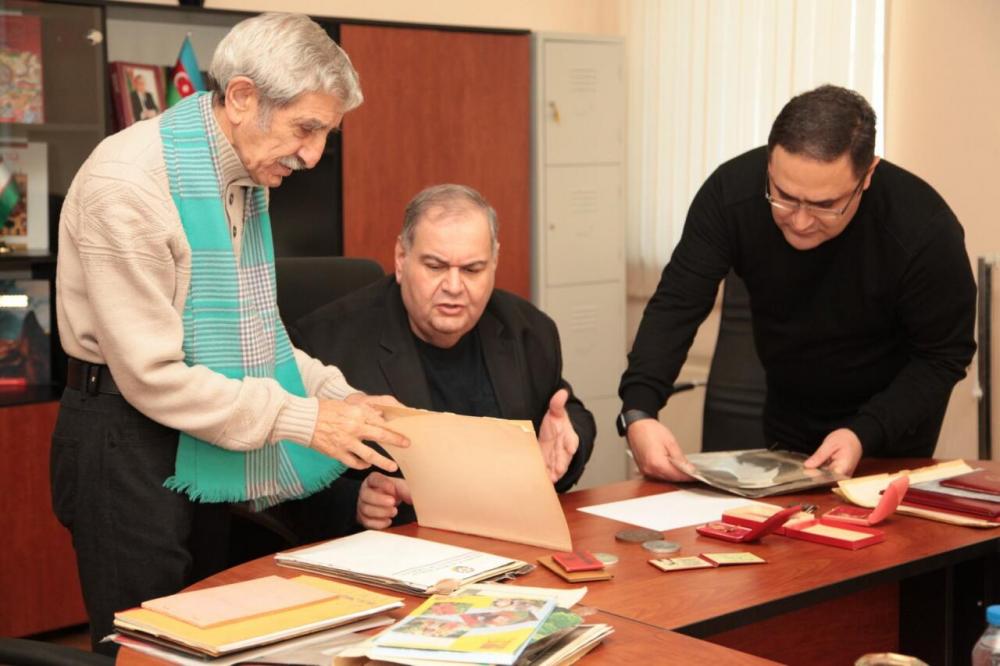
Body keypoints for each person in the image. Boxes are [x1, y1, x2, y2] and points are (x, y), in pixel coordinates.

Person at [51, 13, 409, 654]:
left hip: (206, 430)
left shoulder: (242, 175)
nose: (313, 155)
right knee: (148, 649)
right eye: (306, 128)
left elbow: (257, 336)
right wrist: (306, 419)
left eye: (325, 134)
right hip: (124, 433)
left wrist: (340, 396)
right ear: (242, 98)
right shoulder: (129, 184)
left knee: (219, 639)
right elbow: (153, 377)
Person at [618, 84, 975, 481]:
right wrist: (639, 410)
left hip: (891, 434)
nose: (801, 221)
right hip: (789, 424)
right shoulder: (730, 194)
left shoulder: (922, 229)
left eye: (825, 205)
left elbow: (944, 355)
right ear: (770, 163)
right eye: (784, 196)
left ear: (868, 175)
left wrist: (865, 431)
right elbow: (677, 303)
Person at [293, 184, 595, 532]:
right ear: (401, 258)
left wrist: (569, 444)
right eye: (436, 267)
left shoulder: (529, 330)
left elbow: (565, 411)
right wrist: (354, 502)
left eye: (472, 269)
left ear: (494, 261)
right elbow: (283, 469)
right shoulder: (327, 342)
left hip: (506, 534)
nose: (453, 286)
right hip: (401, 544)